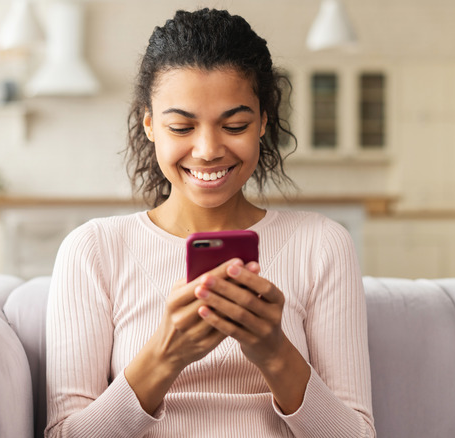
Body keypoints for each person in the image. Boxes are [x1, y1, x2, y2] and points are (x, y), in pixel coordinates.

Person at [45, 8, 375, 438]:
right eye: (181, 126)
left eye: (234, 124)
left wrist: (275, 353)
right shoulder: (93, 250)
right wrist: (166, 355)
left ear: (262, 123)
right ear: (149, 124)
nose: (207, 150)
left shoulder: (322, 244)